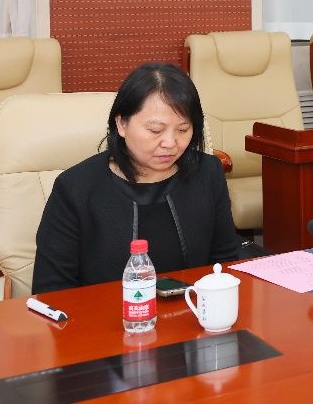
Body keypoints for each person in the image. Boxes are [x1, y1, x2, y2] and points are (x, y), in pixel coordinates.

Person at [33, 63, 243, 293]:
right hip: (102, 314)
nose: (170, 143)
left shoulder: (207, 173)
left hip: (193, 310)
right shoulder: (75, 188)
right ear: (121, 124)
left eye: (183, 130)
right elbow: (50, 290)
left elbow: (225, 263)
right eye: (155, 130)